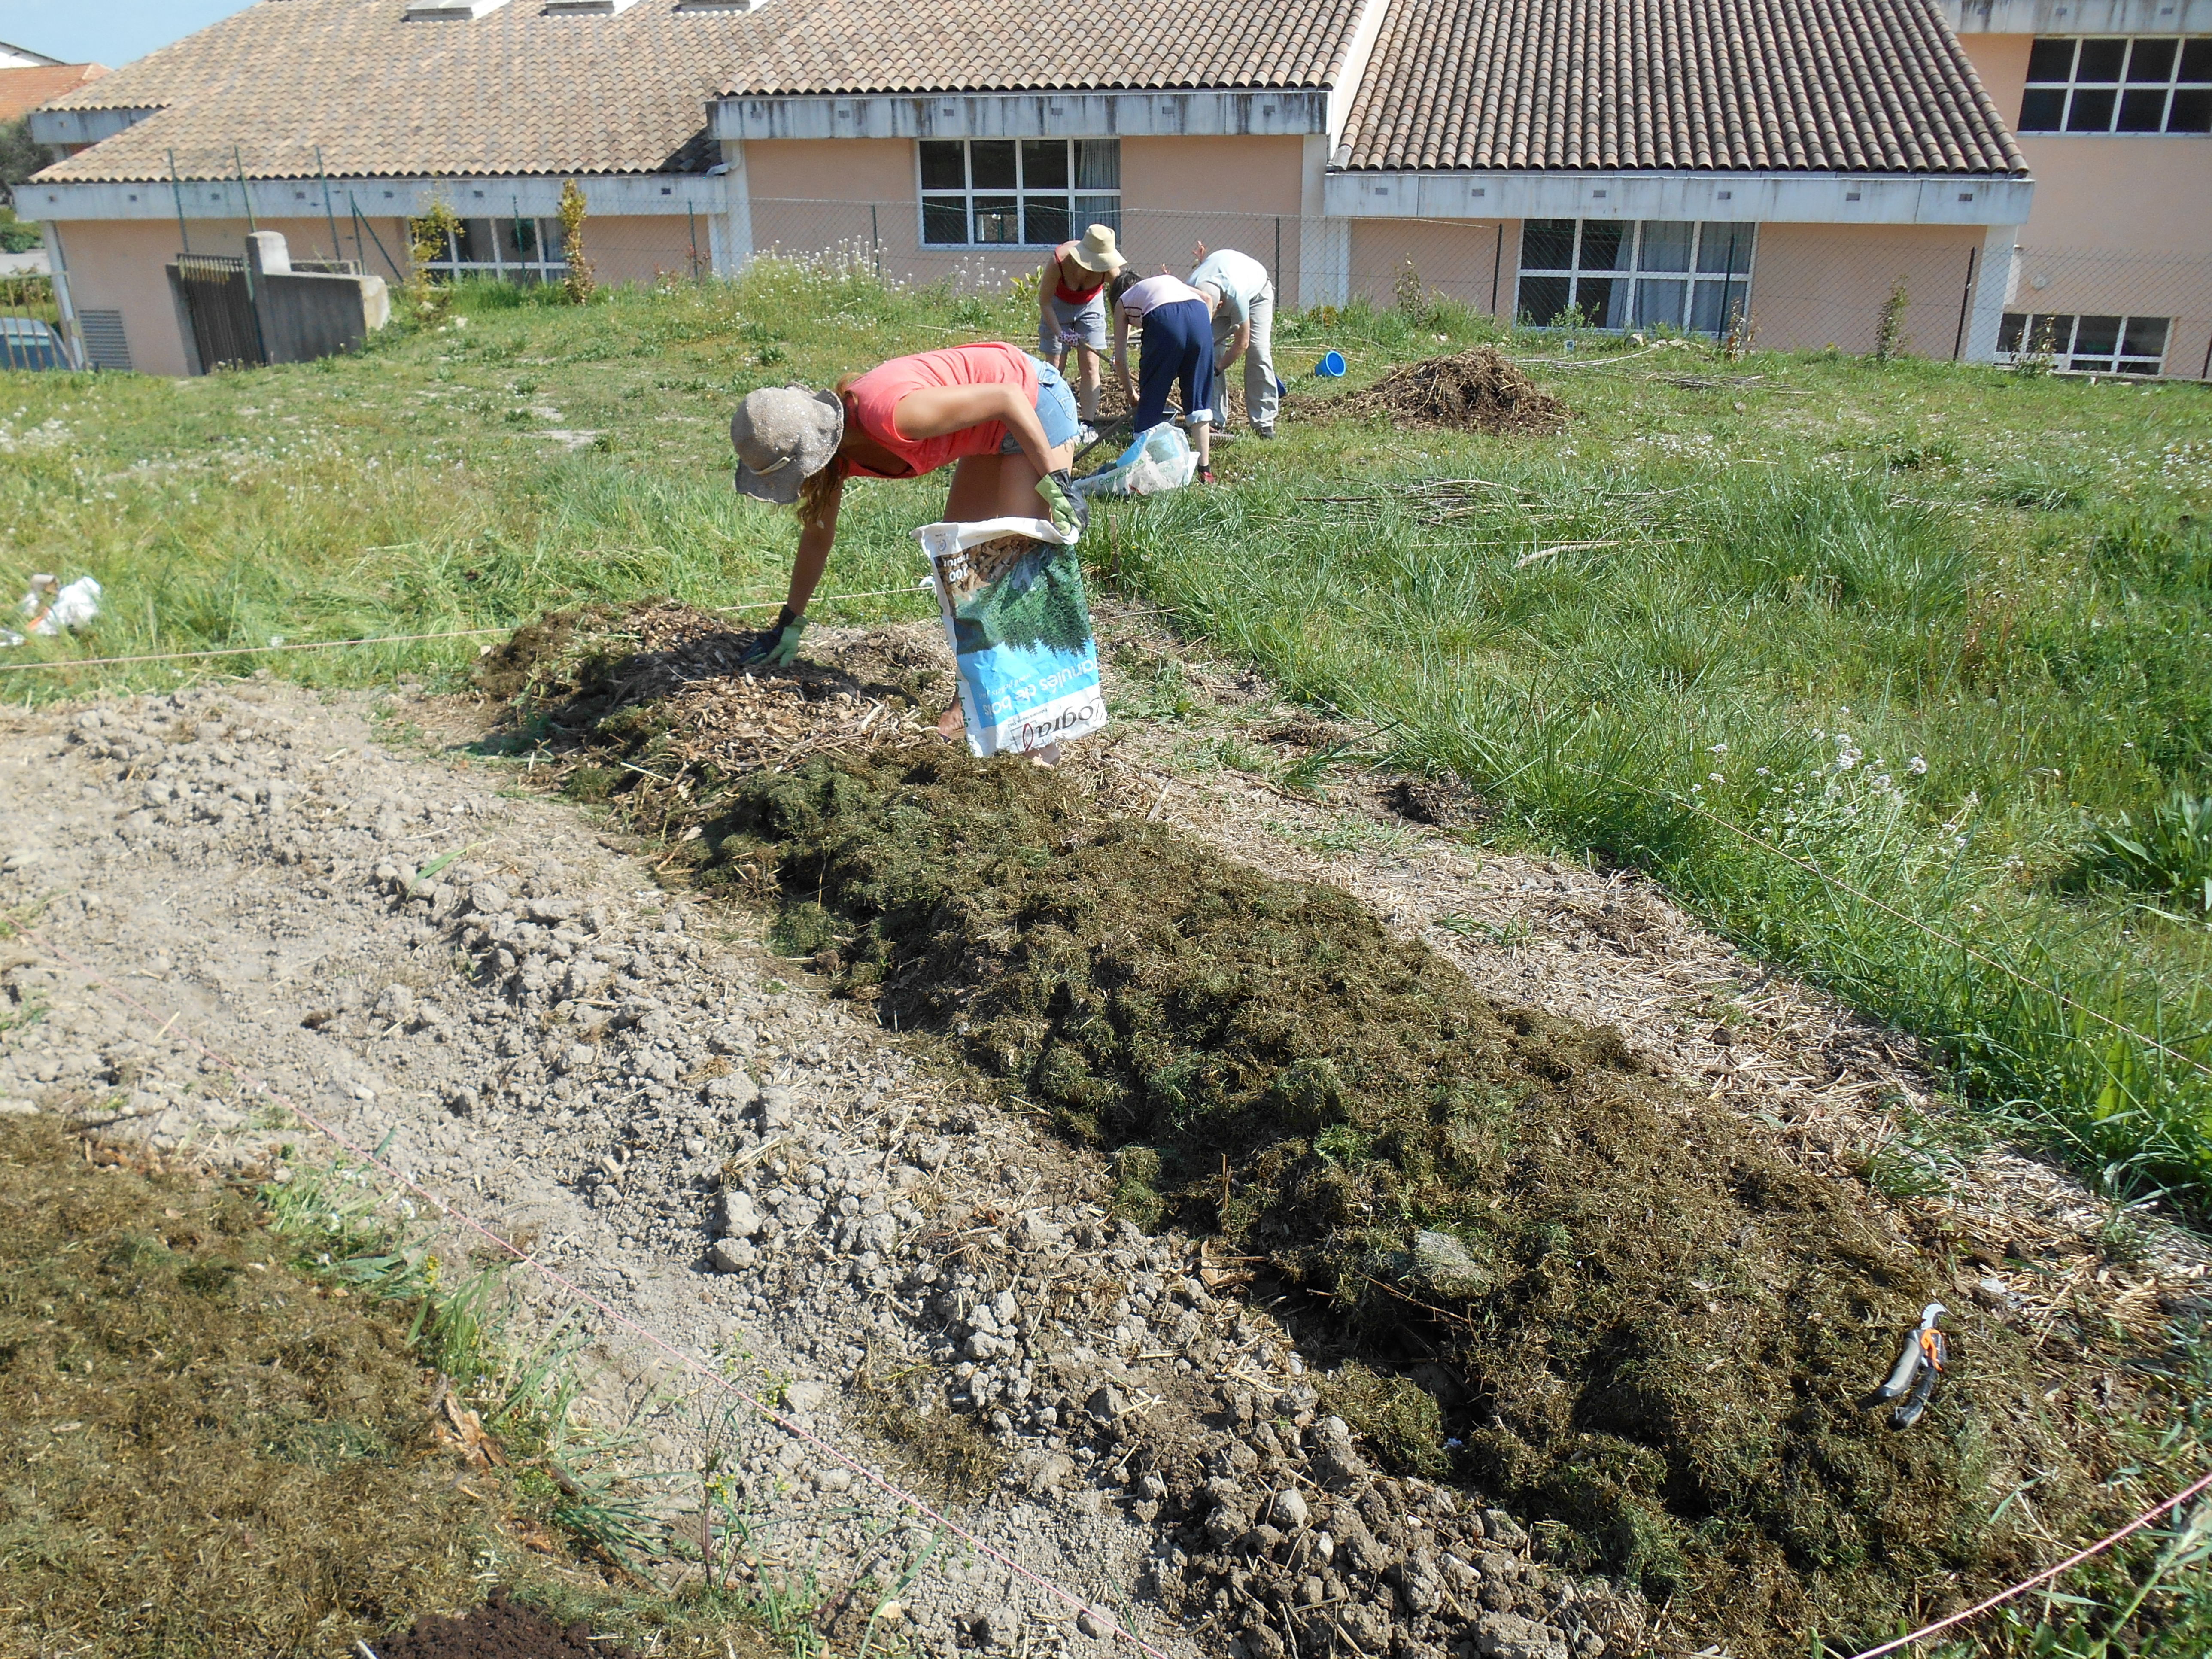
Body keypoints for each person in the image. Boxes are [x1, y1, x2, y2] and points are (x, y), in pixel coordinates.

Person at [728, 343, 1087, 672]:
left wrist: (1057, 480)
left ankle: (1002, 698)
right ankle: (972, 693)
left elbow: (1008, 397)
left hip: (1033, 403)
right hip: (990, 427)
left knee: (1010, 569)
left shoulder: (892, 416)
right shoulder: (836, 457)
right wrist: (790, 621)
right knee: (960, 568)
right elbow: (817, 539)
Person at [1108, 268, 1216, 484]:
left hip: (1164, 321)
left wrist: (1132, 394)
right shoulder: (1166, 282)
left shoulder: (1123, 301)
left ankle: (1140, 473)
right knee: (1198, 403)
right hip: (1199, 316)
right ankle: (1205, 470)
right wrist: (1197, 338)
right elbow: (1207, 298)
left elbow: (1119, 357)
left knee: (1152, 401)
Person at [1036, 224, 1124, 427]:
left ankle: (1088, 425)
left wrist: (1119, 348)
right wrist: (1060, 333)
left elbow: (1123, 307)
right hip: (1057, 306)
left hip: (1090, 305)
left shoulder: (1110, 269)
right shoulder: (1060, 261)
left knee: (1091, 367)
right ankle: (1049, 421)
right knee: (1055, 367)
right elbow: (1045, 302)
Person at [1189, 242, 1279, 438]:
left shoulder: (1236, 294)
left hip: (1256, 295)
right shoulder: (1192, 290)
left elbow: (1242, 343)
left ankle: (1263, 422)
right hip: (1219, 291)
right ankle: (1213, 419)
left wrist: (1216, 369)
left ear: (1220, 305)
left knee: (1258, 351)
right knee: (1209, 352)